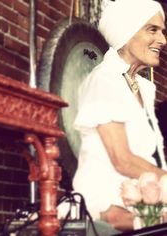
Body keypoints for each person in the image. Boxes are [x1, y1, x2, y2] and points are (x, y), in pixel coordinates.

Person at [73, 0, 167, 232]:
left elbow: (150, 158)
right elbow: (122, 159)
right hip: (105, 204)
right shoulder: (104, 80)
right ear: (127, 32)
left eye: (163, 32)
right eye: (152, 30)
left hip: (144, 199)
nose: (163, 40)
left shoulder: (144, 88)